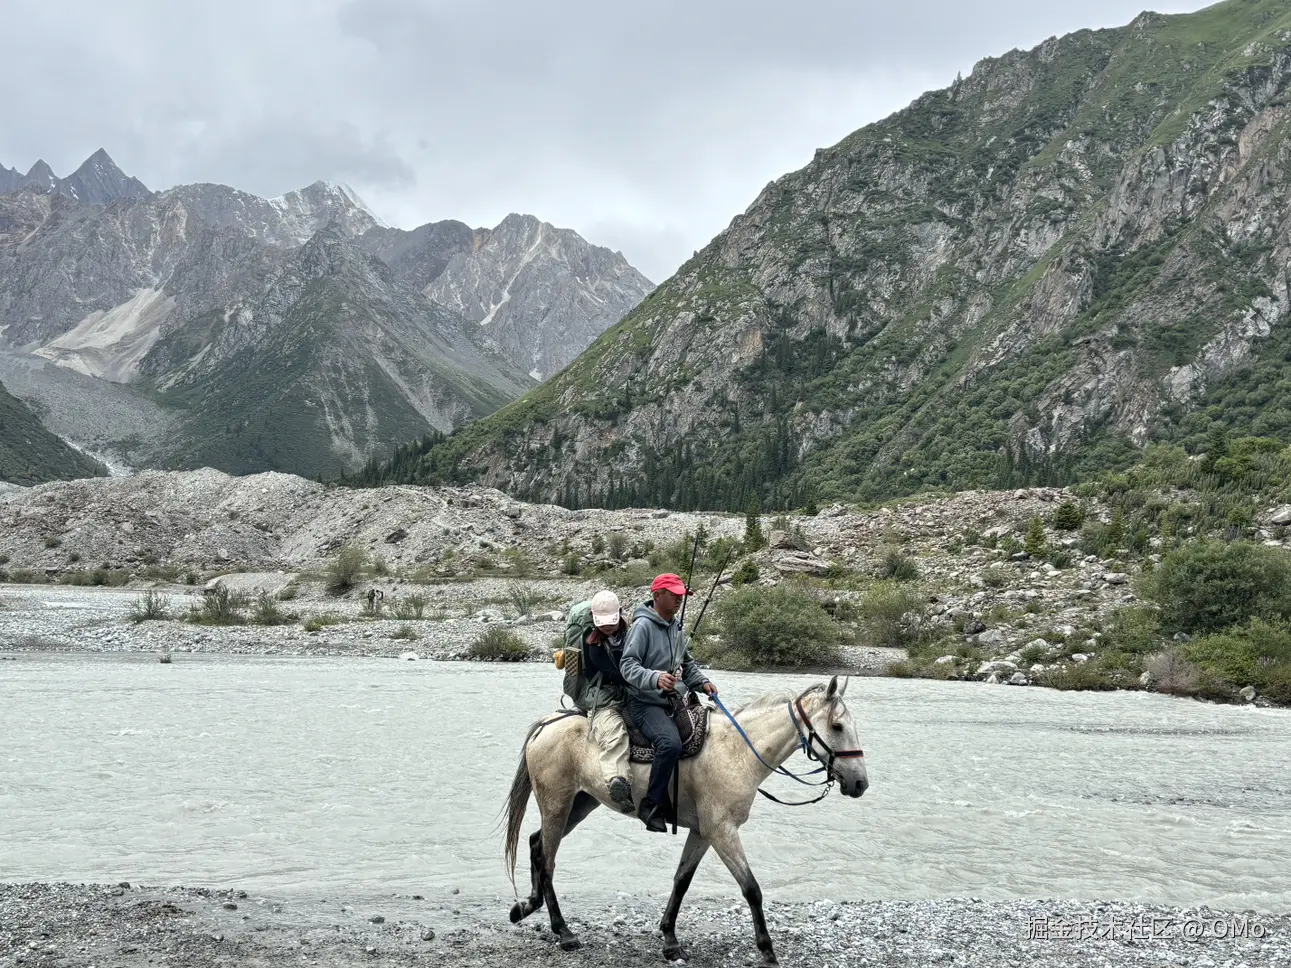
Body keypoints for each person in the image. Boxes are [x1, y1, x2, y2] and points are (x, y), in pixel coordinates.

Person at [618, 573, 718, 833]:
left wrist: (702, 682)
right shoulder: (642, 626)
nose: (678, 601)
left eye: (680, 596)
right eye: (673, 595)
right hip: (642, 702)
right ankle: (651, 805)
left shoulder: (676, 627)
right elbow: (627, 665)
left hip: (670, 700)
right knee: (670, 743)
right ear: (657, 596)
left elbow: (686, 664)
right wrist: (654, 678)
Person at [564, 589, 635, 812]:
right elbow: (614, 673)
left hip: (630, 689)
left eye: (611, 622)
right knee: (614, 732)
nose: (607, 627)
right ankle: (617, 780)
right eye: (602, 623)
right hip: (602, 695)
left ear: (620, 615)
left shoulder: (631, 633)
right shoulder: (592, 643)